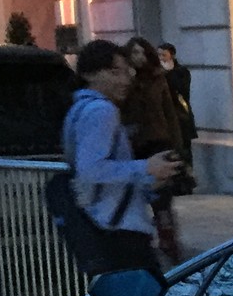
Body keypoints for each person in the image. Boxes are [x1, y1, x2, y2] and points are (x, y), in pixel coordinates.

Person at [65, 39, 175, 274]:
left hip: (105, 225)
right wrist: (146, 167)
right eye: (115, 72)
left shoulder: (79, 109)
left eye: (127, 72)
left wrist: (149, 180)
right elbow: (92, 169)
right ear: (89, 74)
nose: (125, 80)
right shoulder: (101, 111)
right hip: (119, 229)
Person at [122, 37, 186, 261]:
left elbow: (170, 113)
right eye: (134, 53)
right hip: (135, 145)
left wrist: (177, 147)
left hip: (158, 141)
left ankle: (168, 241)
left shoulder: (158, 79)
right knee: (137, 197)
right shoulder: (124, 82)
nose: (138, 57)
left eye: (142, 53)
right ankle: (141, 242)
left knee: (162, 200)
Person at [157, 42, 198, 188]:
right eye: (159, 54)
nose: (161, 57)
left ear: (172, 55)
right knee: (169, 148)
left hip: (181, 115)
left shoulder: (181, 71)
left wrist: (168, 73)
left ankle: (186, 181)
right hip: (165, 117)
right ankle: (172, 181)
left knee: (185, 148)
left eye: (164, 54)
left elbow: (183, 90)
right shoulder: (156, 73)